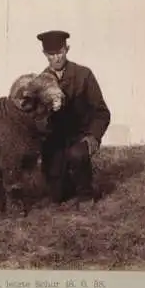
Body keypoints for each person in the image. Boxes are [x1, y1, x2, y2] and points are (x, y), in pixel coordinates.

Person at [36, 30, 111, 205]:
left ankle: (86, 194)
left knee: (77, 155)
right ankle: (66, 179)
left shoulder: (84, 75)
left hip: (81, 135)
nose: (57, 58)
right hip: (56, 142)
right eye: (52, 54)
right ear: (45, 55)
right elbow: (36, 120)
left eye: (60, 52)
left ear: (67, 49)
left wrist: (93, 136)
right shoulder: (40, 81)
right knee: (57, 197)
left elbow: (102, 112)